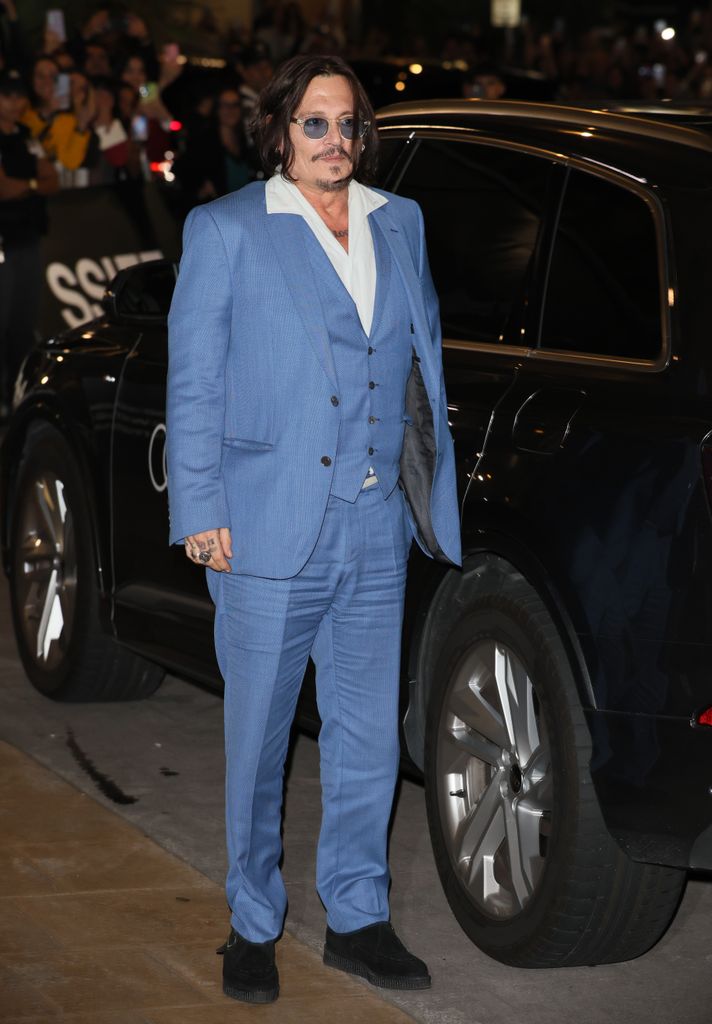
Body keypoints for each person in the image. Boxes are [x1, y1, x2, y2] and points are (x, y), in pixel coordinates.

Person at [166, 54, 461, 1004]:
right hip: (264, 526)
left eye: (346, 124)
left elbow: (419, 361)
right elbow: (197, 377)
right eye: (314, 124)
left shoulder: (398, 221)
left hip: (375, 524)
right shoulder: (227, 230)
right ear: (279, 132)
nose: (334, 141)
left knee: (369, 734)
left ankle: (359, 917)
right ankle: (253, 922)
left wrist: (426, 483)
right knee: (257, 739)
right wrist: (199, 507)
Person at [0, 71, 58, 418]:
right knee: (2, 322)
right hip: (3, 242)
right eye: (7, 95)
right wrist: (33, 183)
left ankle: (15, 395)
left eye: (19, 95)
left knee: (23, 324)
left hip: (29, 239)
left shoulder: (25, 135)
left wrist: (27, 183)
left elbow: (52, 181)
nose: (15, 102)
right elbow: (2, 189)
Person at [172, 85, 253, 206]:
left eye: (235, 105)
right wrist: (200, 187)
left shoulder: (245, 140)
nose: (231, 110)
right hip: (219, 213)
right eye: (225, 105)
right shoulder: (203, 141)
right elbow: (181, 169)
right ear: (216, 109)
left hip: (246, 209)